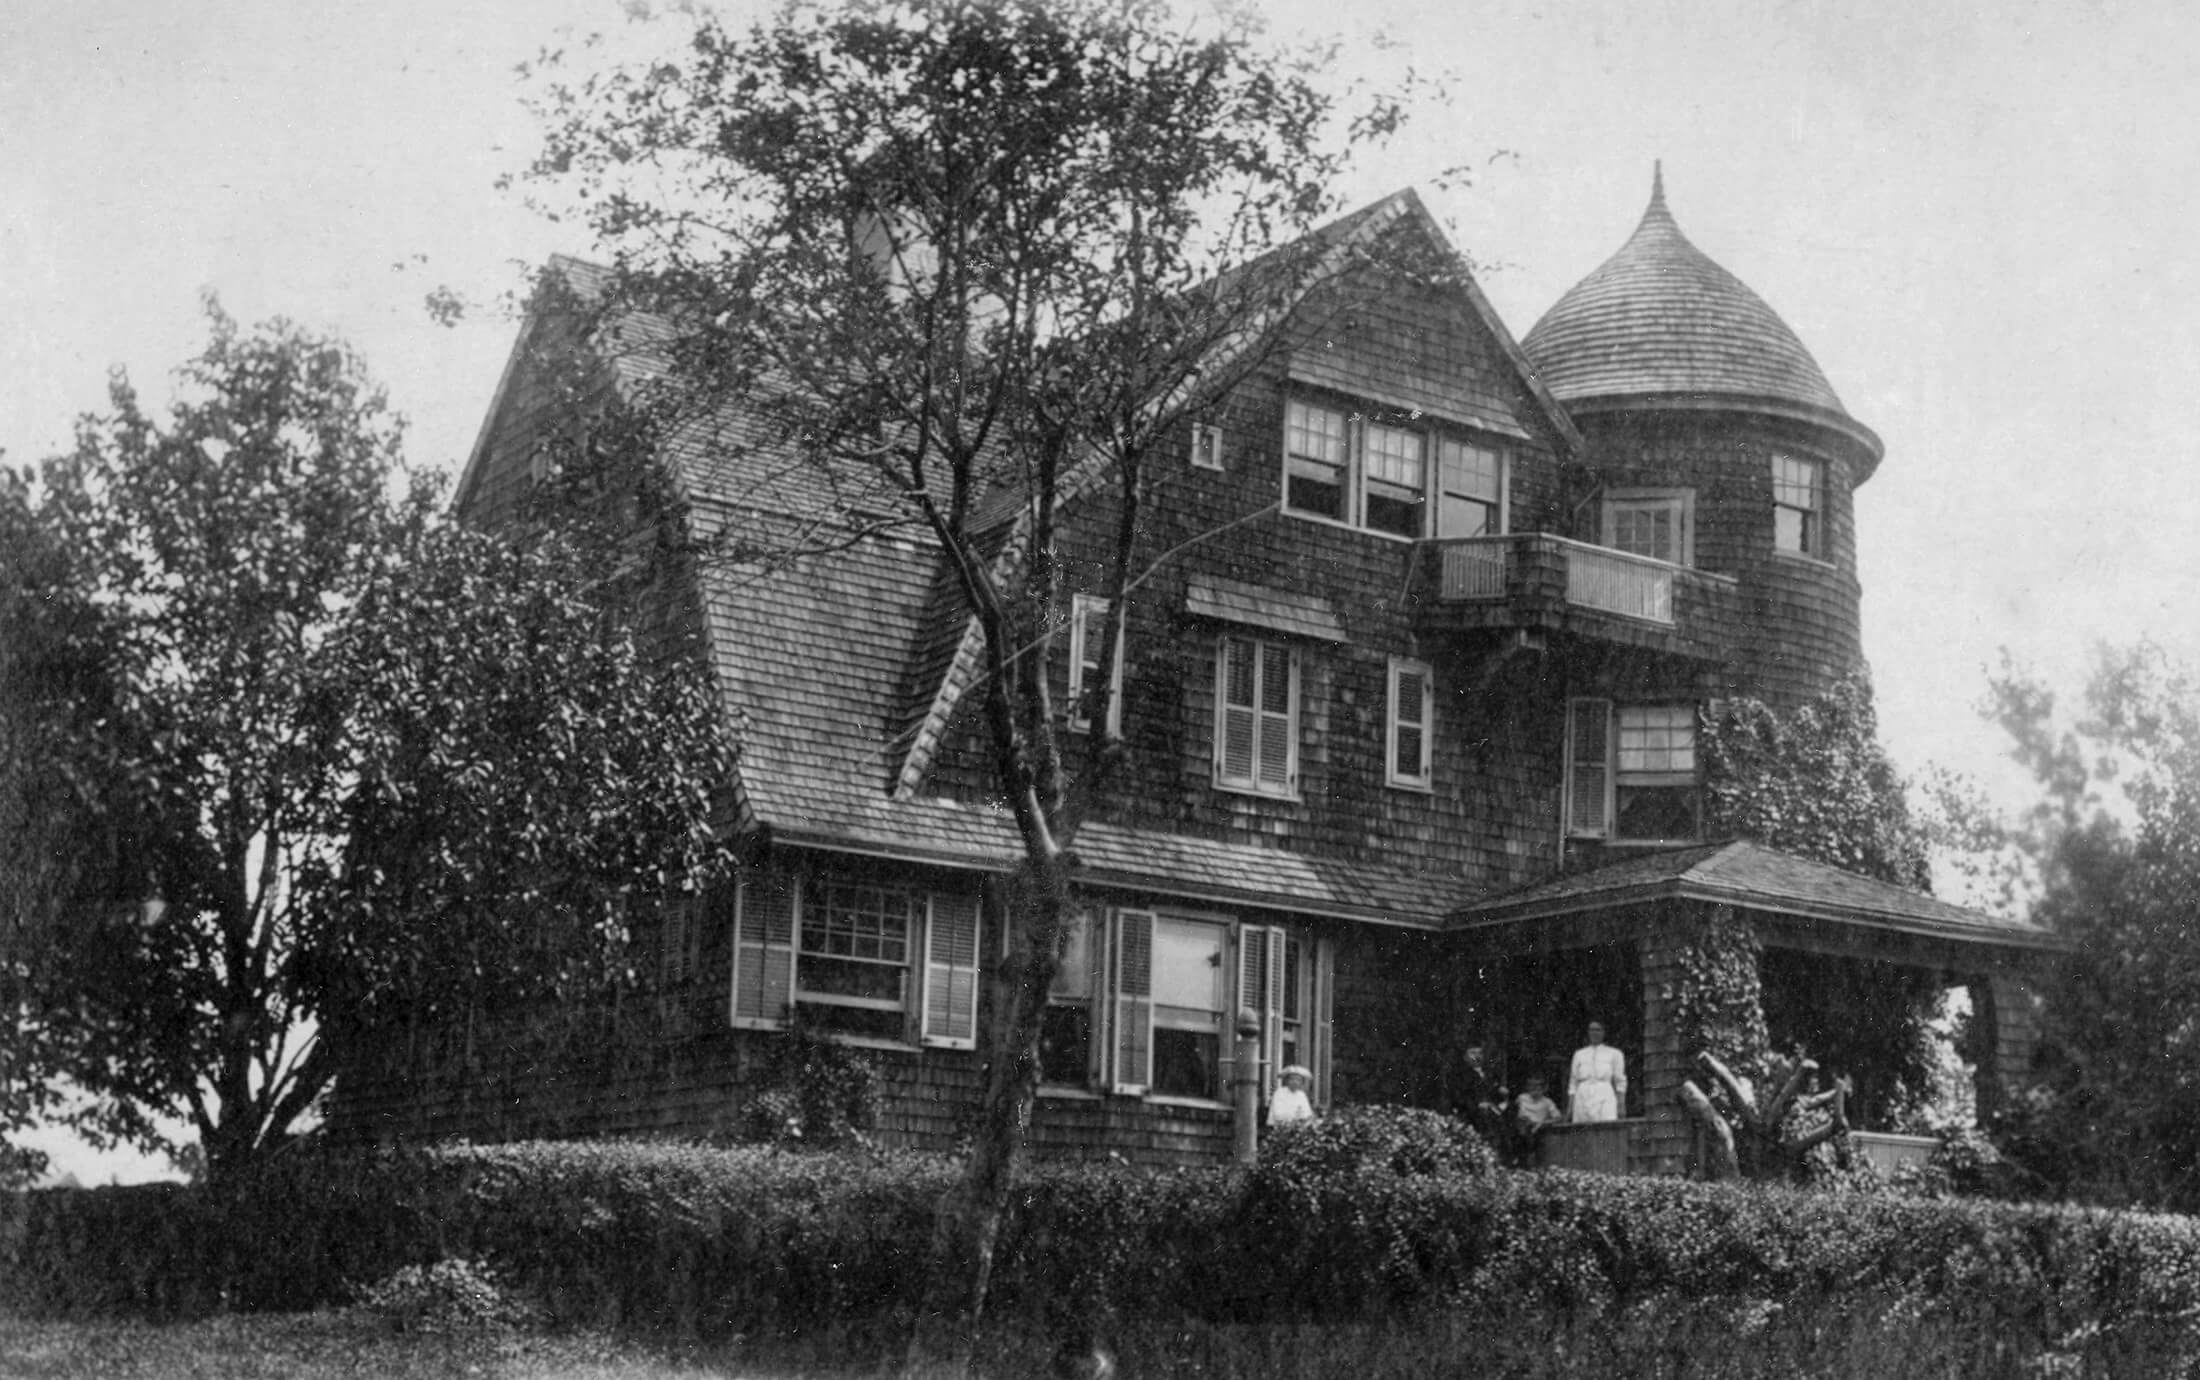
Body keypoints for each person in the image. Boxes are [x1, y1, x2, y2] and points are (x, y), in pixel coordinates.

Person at [1568, 1021, 1627, 1123]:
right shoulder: (1579, 1054)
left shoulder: (1614, 1053)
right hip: (1583, 1095)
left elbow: (1620, 1082)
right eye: (1591, 1030)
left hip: (1604, 1093)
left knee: (1606, 1126)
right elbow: (1573, 1083)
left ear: (1604, 1032)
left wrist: (1621, 1104)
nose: (1594, 1033)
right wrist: (1570, 1106)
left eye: (1598, 1030)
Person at [1455, 1041, 1508, 1143]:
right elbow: (1460, 1097)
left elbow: (1497, 1094)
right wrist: (1478, 1105)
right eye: (1473, 1053)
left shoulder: (1489, 1073)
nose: (1477, 1056)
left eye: (1479, 1053)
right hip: (1473, 1114)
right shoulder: (1461, 1076)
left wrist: (1502, 1096)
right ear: (1465, 1057)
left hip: (1494, 1113)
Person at [1511, 1072, 1566, 1164]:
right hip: (1523, 1128)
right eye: (1532, 1086)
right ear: (1527, 1087)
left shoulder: (1547, 1102)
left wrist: (1542, 1123)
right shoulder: (1521, 1098)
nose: (1535, 1089)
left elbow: (1558, 1117)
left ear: (1543, 1088)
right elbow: (1514, 1113)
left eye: (1538, 1086)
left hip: (1539, 1129)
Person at [1268, 1063, 1316, 1128]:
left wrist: (1304, 1119)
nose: (1295, 1082)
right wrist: (1295, 1118)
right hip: (1280, 1128)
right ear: (1287, 1081)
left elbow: (1307, 1113)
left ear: (1302, 1082)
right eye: (1292, 1079)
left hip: (1299, 1127)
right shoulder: (1279, 1093)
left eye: (1298, 1080)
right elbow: (1278, 1115)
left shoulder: (1302, 1095)